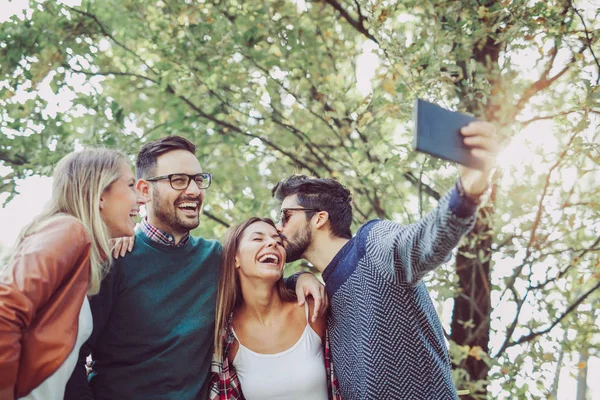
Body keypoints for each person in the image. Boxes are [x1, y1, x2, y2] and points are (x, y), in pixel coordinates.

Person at [64, 136, 326, 400]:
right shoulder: (114, 258)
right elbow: (70, 357)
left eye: (198, 180)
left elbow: (262, 277)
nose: (193, 190)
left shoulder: (216, 259)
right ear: (144, 190)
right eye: (178, 180)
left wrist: (301, 279)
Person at [271, 121, 499, 399]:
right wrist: (297, 279)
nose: (278, 228)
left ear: (319, 218)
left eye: (285, 216)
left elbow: (421, 243)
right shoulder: (320, 297)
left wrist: (467, 193)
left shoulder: (372, 244)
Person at [0, 148, 145, 400]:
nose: (140, 199)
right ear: (101, 195)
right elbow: (5, 311)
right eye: (131, 185)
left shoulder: (84, 252)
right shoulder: (69, 231)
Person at [209, 217, 341, 400]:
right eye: (257, 239)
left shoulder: (313, 309)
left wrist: (304, 276)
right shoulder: (226, 338)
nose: (272, 243)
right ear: (235, 258)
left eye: (278, 241)